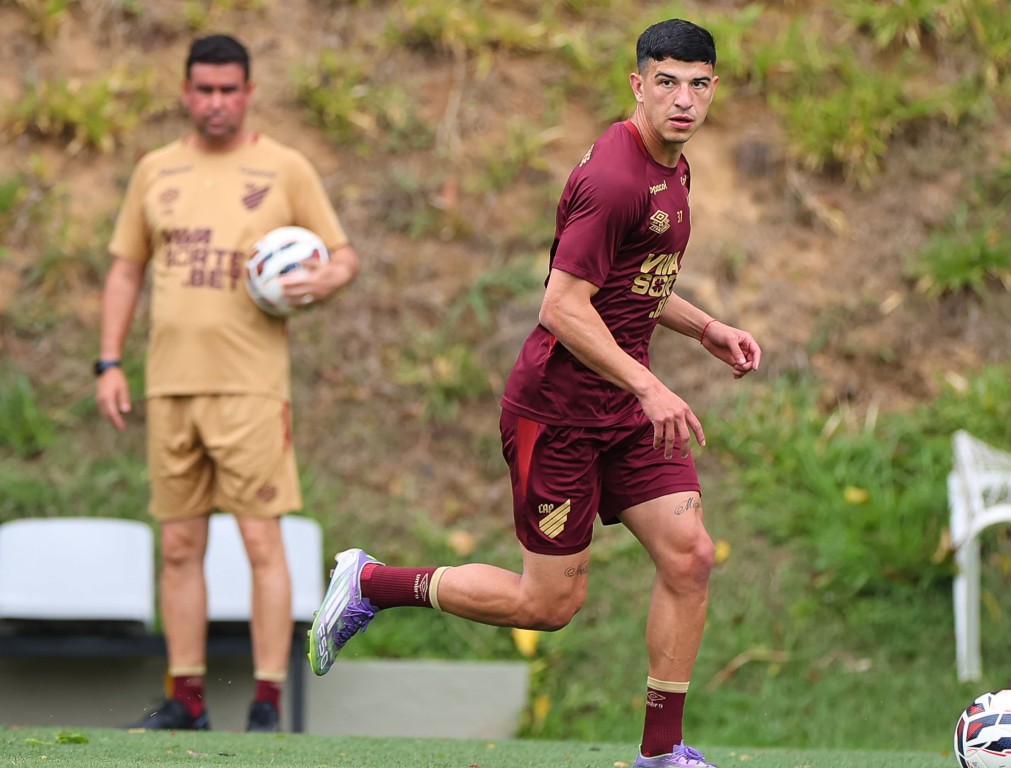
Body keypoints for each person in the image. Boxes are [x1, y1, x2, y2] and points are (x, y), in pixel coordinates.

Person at [308, 18, 758, 768]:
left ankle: (660, 754)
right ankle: (373, 582)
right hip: (559, 416)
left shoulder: (673, 168)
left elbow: (628, 282)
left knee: (690, 557)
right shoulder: (616, 178)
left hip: (622, 408)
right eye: (668, 81)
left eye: (699, 83)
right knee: (546, 606)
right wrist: (651, 385)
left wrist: (703, 325)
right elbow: (561, 306)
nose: (684, 99)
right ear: (637, 84)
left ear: (714, 89)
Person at [95, 33, 360, 733]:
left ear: (247, 93)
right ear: (186, 93)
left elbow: (342, 258)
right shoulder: (155, 170)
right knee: (179, 545)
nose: (216, 103)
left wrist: (322, 281)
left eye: (228, 90)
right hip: (170, 387)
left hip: (250, 388)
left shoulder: (284, 168)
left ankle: (268, 699)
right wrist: (109, 360)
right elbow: (126, 268)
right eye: (204, 90)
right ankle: (187, 699)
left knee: (260, 544)